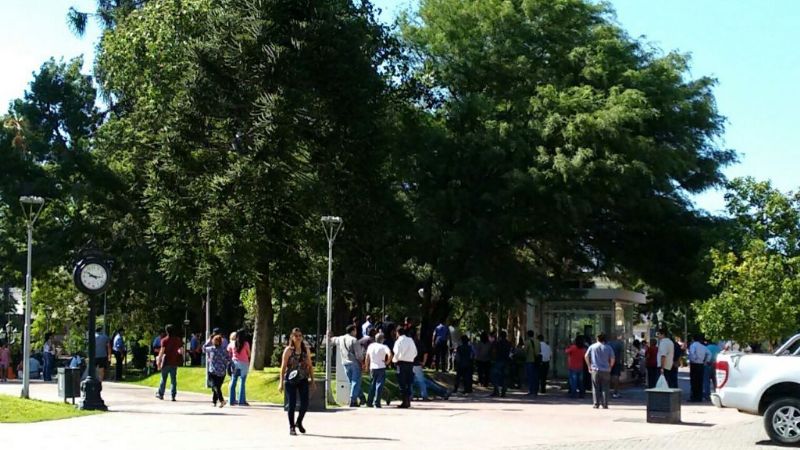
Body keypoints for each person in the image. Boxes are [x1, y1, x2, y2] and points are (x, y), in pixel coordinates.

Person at [279, 328, 315, 436]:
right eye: (296, 336)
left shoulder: (305, 350)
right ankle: (291, 427)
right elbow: (283, 367)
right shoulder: (288, 351)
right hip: (290, 380)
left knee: (305, 404)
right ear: (292, 337)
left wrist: (312, 380)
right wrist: (281, 382)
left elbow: (310, 366)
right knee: (292, 404)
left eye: (300, 335)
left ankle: (299, 422)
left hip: (303, 379)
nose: (298, 338)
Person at [331, 324, 365, 407]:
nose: (356, 332)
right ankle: (353, 400)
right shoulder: (354, 340)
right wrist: (362, 362)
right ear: (353, 330)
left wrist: (330, 335)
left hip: (345, 363)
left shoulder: (341, 338)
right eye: (355, 330)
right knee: (356, 381)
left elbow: (333, 340)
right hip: (354, 363)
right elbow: (359, 355)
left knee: (352, 382)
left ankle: (362, 397)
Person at [585, 333, 615, 409]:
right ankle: (605, 404)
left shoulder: (592, 346)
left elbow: (586, 356)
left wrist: (589, 366)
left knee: (595, 387)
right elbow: (612, 358)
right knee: (605, 387)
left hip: (595, 369)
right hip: (605, 370)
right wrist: (610, 366)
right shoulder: (608, 347)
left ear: (597, 338)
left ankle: (596, 404)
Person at [364, 332, 391, 408]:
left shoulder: (371, 346)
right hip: (381, 367)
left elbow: (367, 357)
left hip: (372, 367)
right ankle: (377, 402)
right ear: (382, 339)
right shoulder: (384, 347)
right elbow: (390, 354)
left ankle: (369, 402)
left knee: (372, 385)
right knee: (379, 385)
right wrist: (387, 362)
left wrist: (366, 366)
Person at [392, 326, 417, 408]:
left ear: (397, 333)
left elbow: (396, 352)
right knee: (409, 382)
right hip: (410, 363)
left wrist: (394, 360)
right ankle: (408, 400)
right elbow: (415, 352)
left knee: (402, 383)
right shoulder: (410, 340)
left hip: (401, 363)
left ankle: (404, 401)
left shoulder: (398, 341)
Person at [204, 333, 231, 407]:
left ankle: (221, 400)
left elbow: (203, 348)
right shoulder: (224, 350)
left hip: (213, 371)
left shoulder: (211, 349)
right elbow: (229, 359)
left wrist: (208, 340)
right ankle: (214, 401)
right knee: (217, 387)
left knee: (214, 386)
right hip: (222, 372)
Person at [156, 324, 182, 401]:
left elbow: (162, 351)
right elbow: (181, 351)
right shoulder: (177, 340)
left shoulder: (164, 340)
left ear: (166, 331)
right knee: (173, 380)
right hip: (174, 362)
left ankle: (161, 394)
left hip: (166, 362)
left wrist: (159, 361)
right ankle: (173, 395)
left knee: (163, 379)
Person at [228, 329, 251, 406]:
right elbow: (249, 353)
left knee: (233, 380)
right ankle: (241, 401)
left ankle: (231, 400)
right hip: (244, 363)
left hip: (235, 363)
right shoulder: (246, 344)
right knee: (242, 381)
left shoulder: (232, 343)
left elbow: (228, 351)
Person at [688, 334, 711, 402]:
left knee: (693, 381)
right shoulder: (703, 347)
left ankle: (693, 397)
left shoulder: (693, 345)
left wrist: (694, 359)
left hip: (694, 364)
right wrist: (706, 361)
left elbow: (692, 353)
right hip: (701, 364)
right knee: (700, 381)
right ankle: (699, 397)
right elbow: (709, 353)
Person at [491, 330, 512, 397]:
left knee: (495, 376)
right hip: (506, 361)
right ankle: (503, 392)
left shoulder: (497, 343)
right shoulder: (509, 343)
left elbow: (494, 352)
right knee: (505, 377)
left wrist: (493, 359)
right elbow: (511, 353)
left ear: (500, 336)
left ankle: (496, 391)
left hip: (498, 361)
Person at [411, 330, 429, 401]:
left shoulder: (408, 343)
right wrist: (424, 362)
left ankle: (410, 396)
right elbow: (425, 353)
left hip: (409, 364)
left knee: (410, 381)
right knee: (421, 381)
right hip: (418, 364)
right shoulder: (419, 342)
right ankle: (424, 395)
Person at [523, 330, 540, 396]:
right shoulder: (537, 341)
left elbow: (525, 352)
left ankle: (531, 390)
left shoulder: (527, 342)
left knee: (530, 376)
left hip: (529, 360)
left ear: (527, 335)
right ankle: (535, 390)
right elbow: (539, 351)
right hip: (536, 361)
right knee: (535, 376)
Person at [608, 334, 623, 398]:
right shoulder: (619, 344)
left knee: (607, 377)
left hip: (608, 362)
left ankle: (606, 391)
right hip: (617, 362)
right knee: (616, 377)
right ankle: (615, 392)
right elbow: (622, 353)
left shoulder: (607, 344)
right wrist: (622, 361)